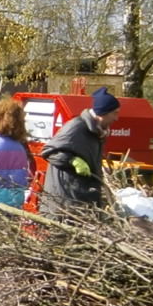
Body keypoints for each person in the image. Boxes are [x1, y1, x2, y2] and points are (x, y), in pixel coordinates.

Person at [38, 86, 121, 214]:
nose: (117, 118)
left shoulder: (95, 132)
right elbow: (49, 151)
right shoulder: (76, 128)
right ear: (103, 113)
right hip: (64, 201)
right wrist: (72, 160)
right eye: (115, 113)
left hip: (79, 198)